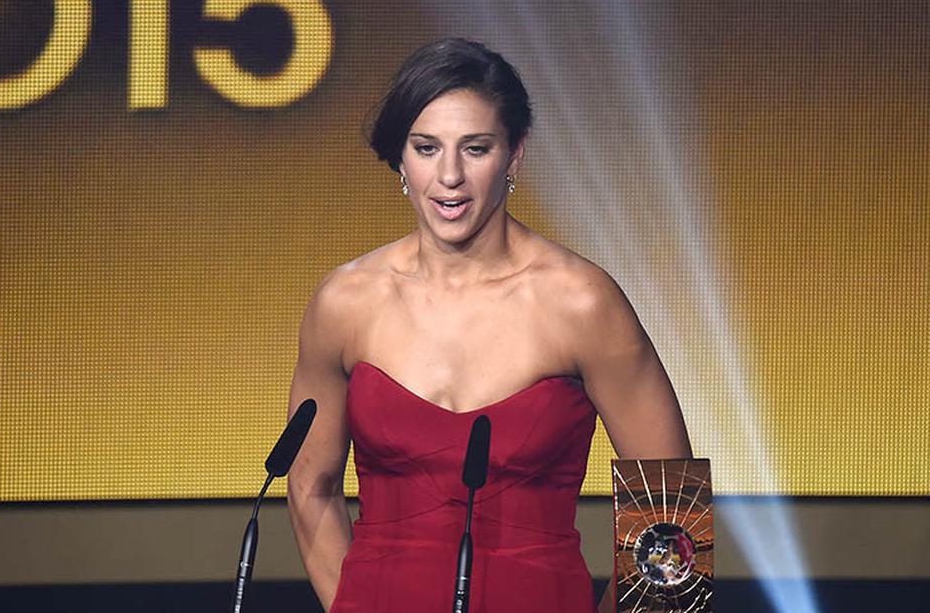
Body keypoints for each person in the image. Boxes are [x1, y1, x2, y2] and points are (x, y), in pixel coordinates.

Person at [285, 38, 692, 613]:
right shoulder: (346, 303)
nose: (449, 176)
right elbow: (309, 487)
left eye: (475, 149)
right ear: (401, 159)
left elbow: (674, 514)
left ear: (515, 155)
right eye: (426, 148)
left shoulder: (581, 303)